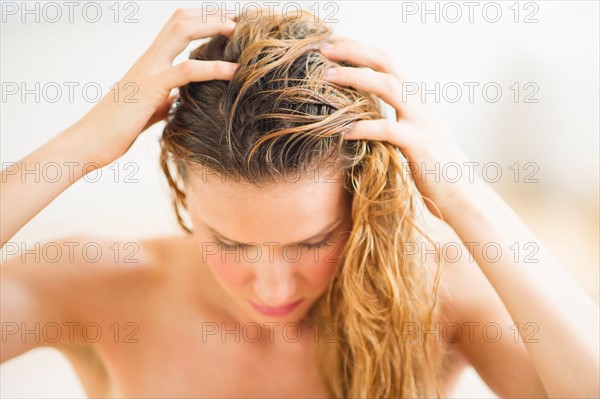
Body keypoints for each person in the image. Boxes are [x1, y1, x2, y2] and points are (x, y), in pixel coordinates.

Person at [1, 7, 598, 399]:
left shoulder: (432, 291)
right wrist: (78, 149)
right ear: (181, 189)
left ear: (358, 201)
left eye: (312, 242)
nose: (272, 289)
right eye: (230, 243)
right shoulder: (100, 288)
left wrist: (466, 196)